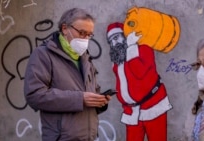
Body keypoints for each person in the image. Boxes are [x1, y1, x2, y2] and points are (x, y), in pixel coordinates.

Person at [24, 8, 111, 141]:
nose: (86, 39)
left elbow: (89, 92)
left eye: (89, 35)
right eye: (82, 33)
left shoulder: (85, 57)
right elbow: (34, 95)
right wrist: (80, 99)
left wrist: (99, 101)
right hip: (61, 137)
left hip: (89, 137)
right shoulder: (43, 55)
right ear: (65, 28)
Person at [106, 22, 172, 141]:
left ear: (125, 35)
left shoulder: (143, 49)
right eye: (110, 41)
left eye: (116, 38)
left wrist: (131, 48)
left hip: (153, 106)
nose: (114, 43)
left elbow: (139, 72)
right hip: (131, 111)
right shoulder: (117, 60)